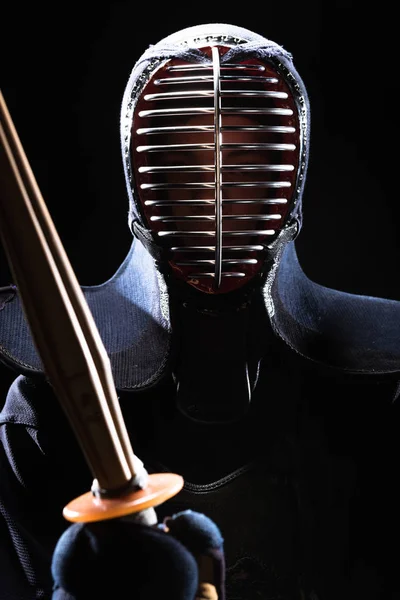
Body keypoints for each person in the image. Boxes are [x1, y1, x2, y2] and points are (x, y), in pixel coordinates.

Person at [0, 22, 400, 600]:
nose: (215, 183)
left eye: (246, 156)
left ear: (289, 169)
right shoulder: (44, 411)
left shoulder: (380, 393)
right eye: (185, 156)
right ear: (144, 170)